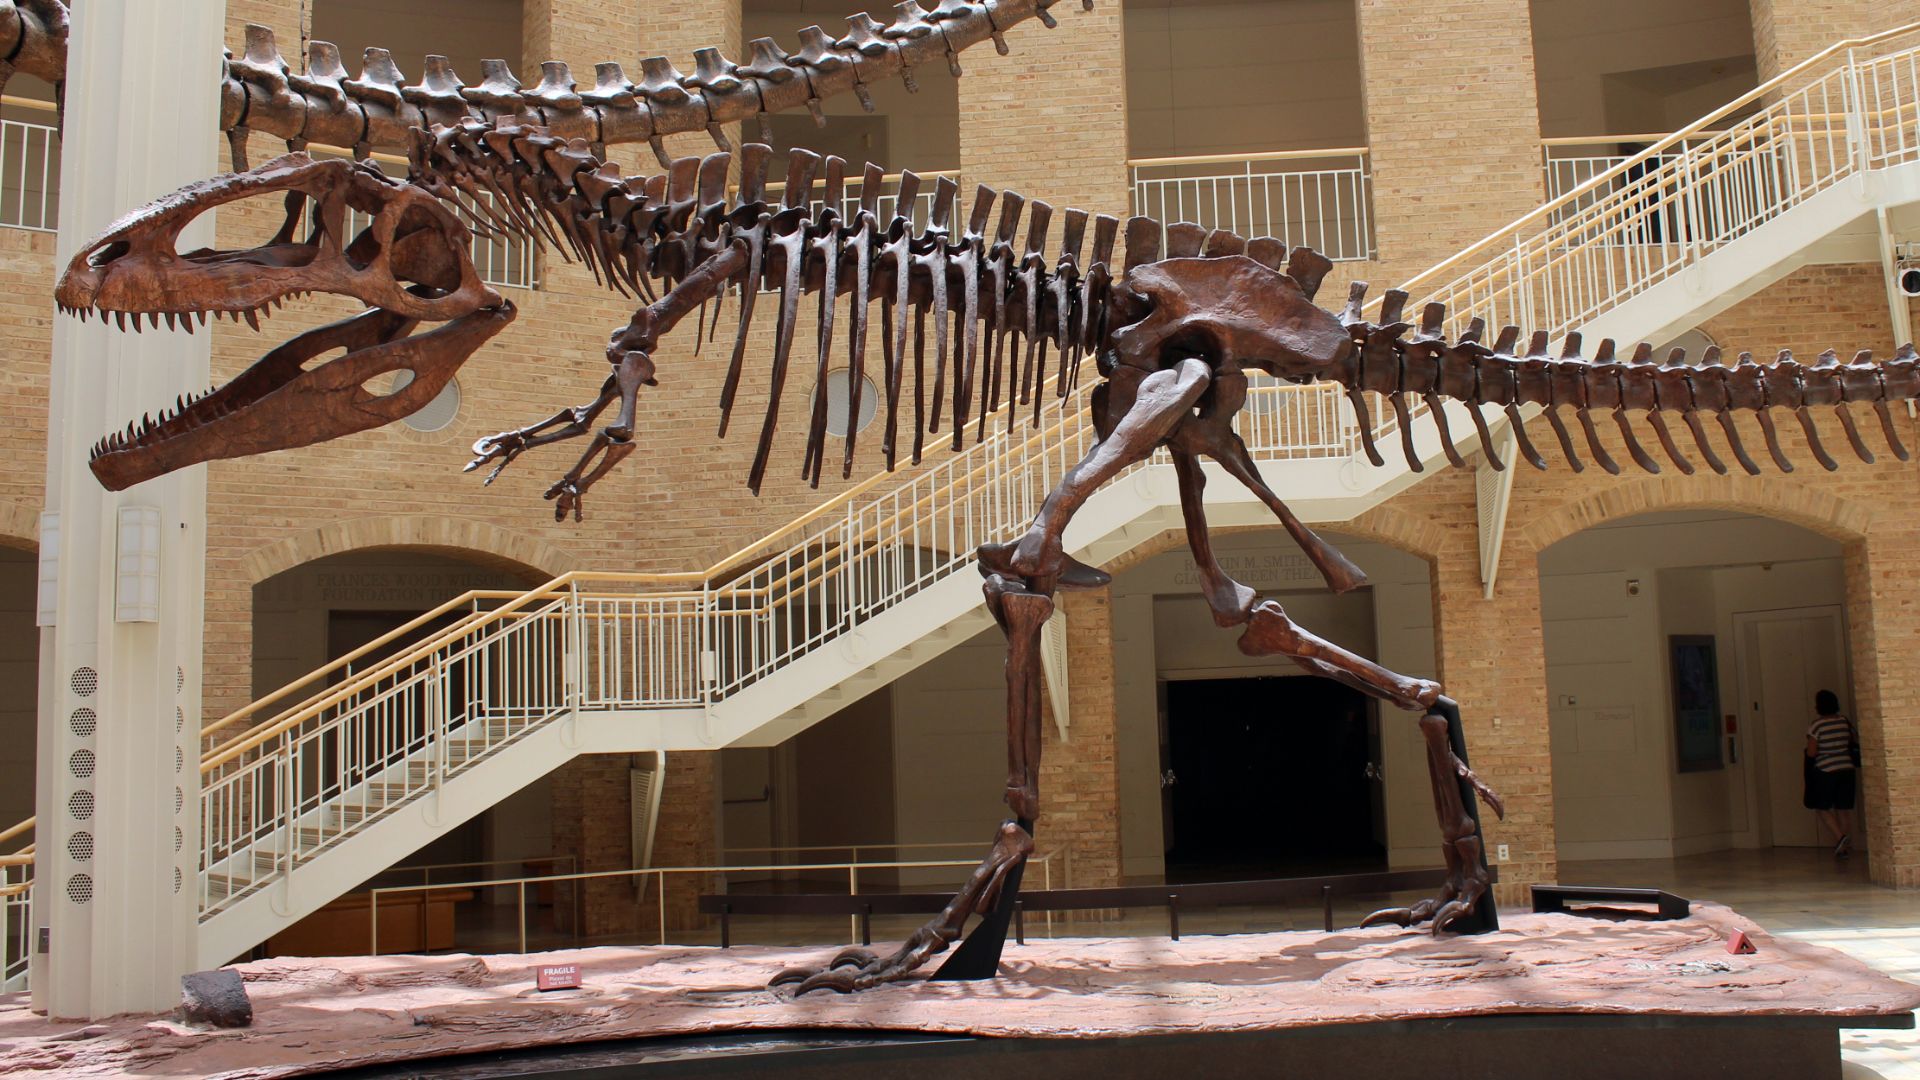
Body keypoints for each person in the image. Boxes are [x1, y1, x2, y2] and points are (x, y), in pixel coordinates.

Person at [1804, 689, 1858, 858]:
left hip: (1826, 770)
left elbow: (1811, 752)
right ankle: (1843, 849)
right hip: (1847, 769)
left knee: (1822, 807)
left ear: (1819, 706)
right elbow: (1853, 740)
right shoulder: (1844, 722)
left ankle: (1840, 837)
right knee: (1843, 809)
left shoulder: (1817, 725)